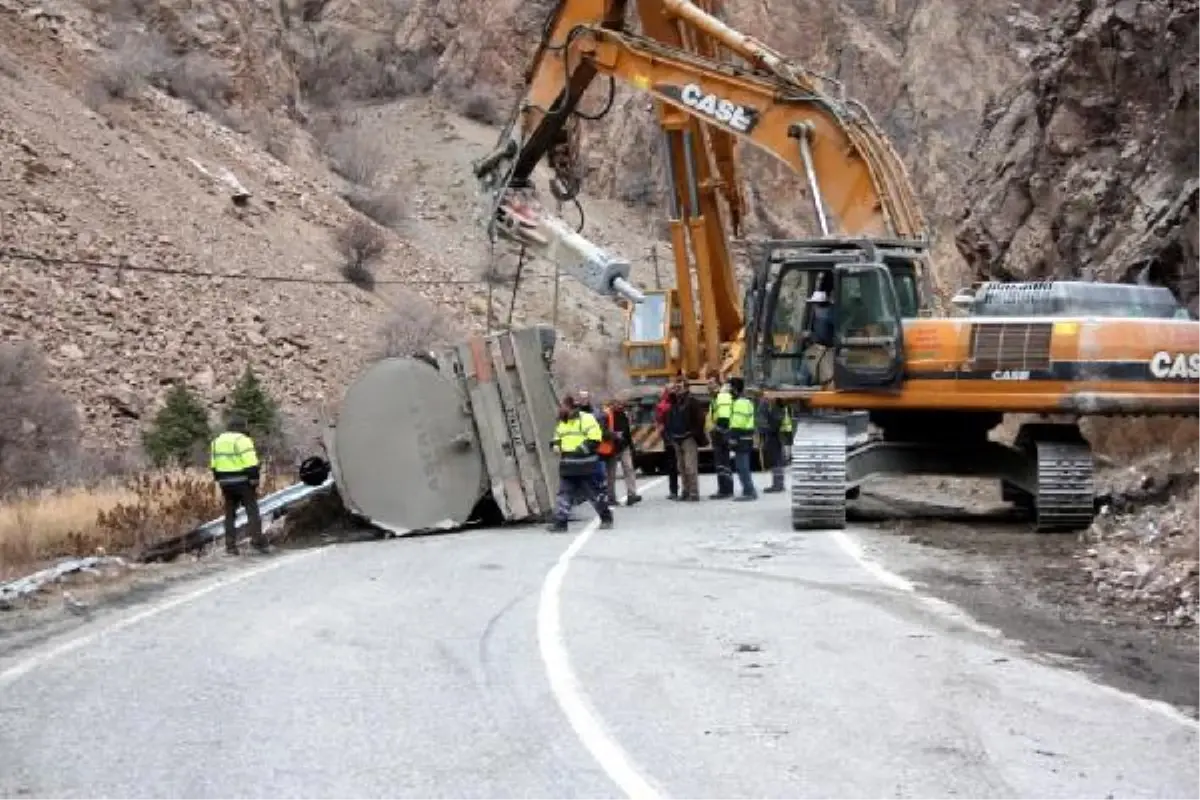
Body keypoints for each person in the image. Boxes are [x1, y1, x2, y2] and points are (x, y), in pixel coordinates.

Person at [548, 396, 613, 532]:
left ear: (571, 407)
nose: (560, 409)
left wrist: (576, 452)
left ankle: (606, 518)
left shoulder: (586, 419)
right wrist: (555, 445)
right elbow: (557, 437)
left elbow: (595, 439)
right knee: (564, 494)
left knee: (594, 494)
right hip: (568, 465)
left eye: (563, 406)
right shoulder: (562, 421)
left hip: (586, 465)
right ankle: (561, 523)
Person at [209, 413, 269, 554]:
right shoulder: (243, 440)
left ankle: (230, 546)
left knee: (230, 514)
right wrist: (254, 479)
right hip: (242, 480)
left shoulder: (216, 441)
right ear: (242, 427)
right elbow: (250, 463)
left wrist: (219, 480)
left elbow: (213, 464)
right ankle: (257, 541)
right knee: (252, 511)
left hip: (225, 482)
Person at [664, 376, 708, 501]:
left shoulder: (692, 401)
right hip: (677, 439)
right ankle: (686, 491)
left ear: (686, 387)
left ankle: (694, 493)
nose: (677, 389)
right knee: (681, 467)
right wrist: (671, 435)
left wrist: (693, 433)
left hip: (688, 438)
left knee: (690, 467)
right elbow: (669, 419)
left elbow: (700, 419)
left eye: (679, 386)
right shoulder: (674, 402)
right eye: (676, 386)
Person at [599, 395, 642, 506]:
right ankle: (611, 498)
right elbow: (602, 432)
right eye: (617, 404)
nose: (619, 406)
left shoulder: (624, 415)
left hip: (624, 446)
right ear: (612, 404)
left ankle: (631, 495)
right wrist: (615, 435)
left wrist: (632, 447)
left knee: (629, 468)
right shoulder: (606, 415)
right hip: (611, 448)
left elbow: (627, 432)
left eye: (621, 404)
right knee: (611, 474)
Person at [576, 388, 610, 505]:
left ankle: (602, 493)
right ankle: (583, 494)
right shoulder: (575, 414)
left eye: (585, 398)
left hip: (595, 448)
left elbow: (603, 427)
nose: (584, 400)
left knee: (599, 473)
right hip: (580, 448)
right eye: (582, 398)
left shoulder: (597, 413)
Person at [727, 377, 759, 501]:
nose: (729, 390)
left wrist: (732, 437)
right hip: (745, 437)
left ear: (735, 389)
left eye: (730, 387)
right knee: (742, 466)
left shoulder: (740, 403)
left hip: (741, 437)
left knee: (742, 466)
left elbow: (737, 423)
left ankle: (749, 491)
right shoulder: (745, 402)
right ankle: (748, 490)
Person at [800, 290, 837, 387]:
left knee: (805, 370)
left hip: (820, 349)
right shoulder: (830, 314)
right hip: (827, 348)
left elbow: (822, 337)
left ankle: (803, 387)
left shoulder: (823, 316)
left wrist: (809, 335)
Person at [706, 376, 734, 498]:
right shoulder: (715, 397)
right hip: (719, 433)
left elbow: (724, 416)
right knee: (723, 463)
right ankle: (725, 489)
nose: (709, 385)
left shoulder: (721, 397)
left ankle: (725, 490)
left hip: (720, 433)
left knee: (722, 463)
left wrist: (718, 428)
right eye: (708, 383)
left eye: (711, 383)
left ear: (718, 384)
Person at [756, 395, 787, 493]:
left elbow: (765, 423)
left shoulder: (776, 411)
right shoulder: (780, 409)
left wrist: (762, 406)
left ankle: (777, 485)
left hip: (774, 437)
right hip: (778, 437)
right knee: (777, 461)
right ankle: (779, 484)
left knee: (775, 461)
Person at [654, 384, 679, 500]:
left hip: (674, 438)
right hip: (672, 439)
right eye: (671, 389)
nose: (673, 391)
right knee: (674, 465)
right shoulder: (664, 406)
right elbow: (660, 423)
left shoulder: (663, 405)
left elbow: (659, 423)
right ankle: (675, 491)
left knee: (676, 465)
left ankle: (677, 491)